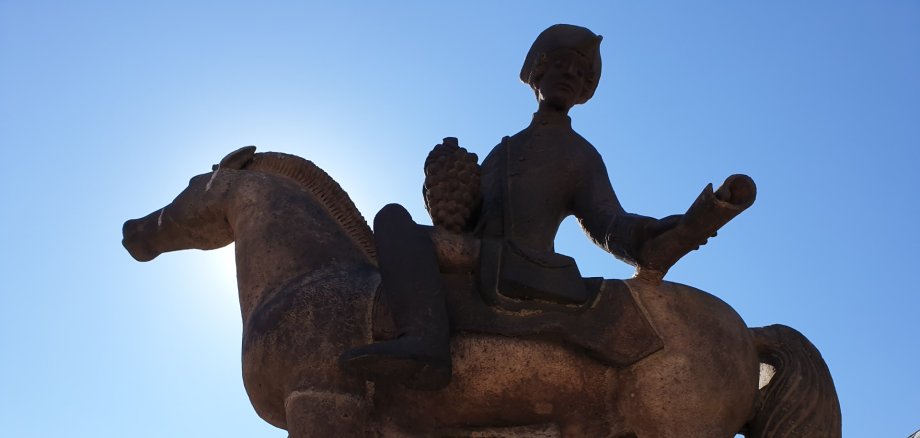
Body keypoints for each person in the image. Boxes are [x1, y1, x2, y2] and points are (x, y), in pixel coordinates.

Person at [339, 24, 680, 390]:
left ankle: (426, 344)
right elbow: (465, 218)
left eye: (581, 76)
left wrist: (649, 232)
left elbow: (608, 222)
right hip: (478, 253)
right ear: (538, 73)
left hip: (523, 263)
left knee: (391, 220)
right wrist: (439, 189)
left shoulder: (580, 154)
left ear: (584, 92)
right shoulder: (502, 150)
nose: (570, 76)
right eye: (563, 66)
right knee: (395, 223)